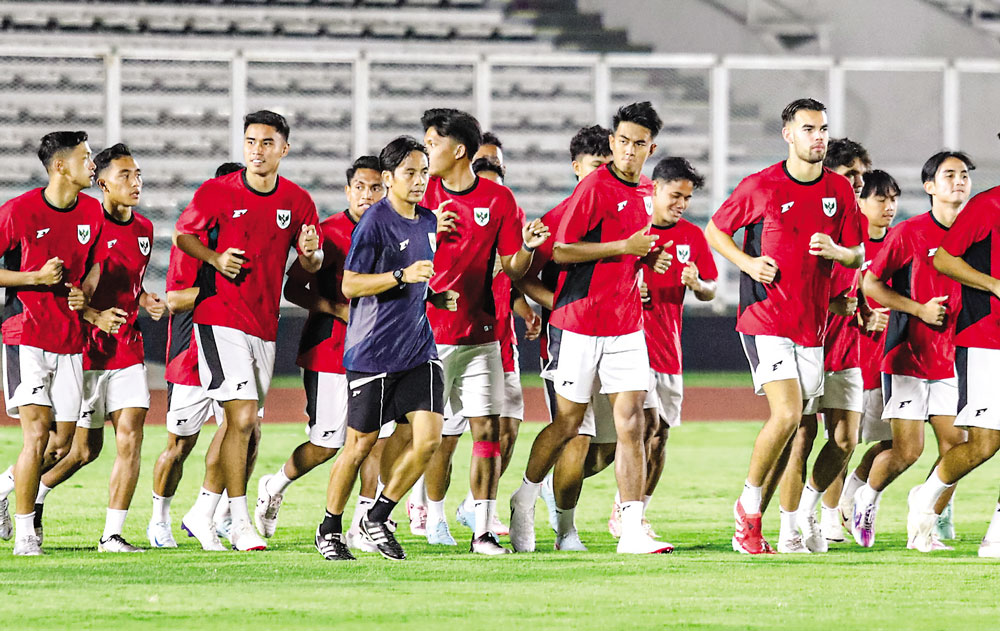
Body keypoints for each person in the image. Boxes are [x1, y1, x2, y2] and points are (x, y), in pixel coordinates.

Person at [509, 102, 673, 555]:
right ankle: (525, 498)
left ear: (651, 148)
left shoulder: (646, 191)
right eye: (623, 141)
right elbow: (562, 250)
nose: (629, 150)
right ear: (613, 141)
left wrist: (648, 257)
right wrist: (624, 247)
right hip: (578, 325)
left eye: (639, 143)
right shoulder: (595, 187)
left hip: (626, 326)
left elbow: (629, 251)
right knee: (567, 426)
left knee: (633, 424)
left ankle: (632, 529)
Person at [705, 98, 864, 555]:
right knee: (789, 414)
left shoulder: (839, 189)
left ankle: (766, 523)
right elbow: (715, 231)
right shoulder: (761, 185)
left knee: (797, 427)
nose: (818, 137)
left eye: (823, 129)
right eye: (808, 129)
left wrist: (837, 251)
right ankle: (748, 506)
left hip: (811, 327)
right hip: (764, 319)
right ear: (788, 134)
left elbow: (857, 253)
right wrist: (748, 263)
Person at [174, 110, 323, 552]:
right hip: (219, 317)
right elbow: (183, 236)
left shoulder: (297, 200)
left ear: (284, 149)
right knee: (240, 418)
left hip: (264, 326)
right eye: (251, 141)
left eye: (267, 142)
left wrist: (311, 255)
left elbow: (310, 263)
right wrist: (215, 258)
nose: (257, 150)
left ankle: (202, 511)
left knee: (243, 427)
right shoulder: (218, 191)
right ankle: (237, 522)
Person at [315, 135, 457, 562]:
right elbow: (350, 285)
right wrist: (401, 276)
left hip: (418, 350)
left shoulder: (428, 220)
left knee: (429, 439)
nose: (419, 180)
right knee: (360, 445)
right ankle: (329, 528)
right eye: (410, 173)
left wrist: (433, 297)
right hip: (373, 352)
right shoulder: (374, 222)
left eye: (424, 172)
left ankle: (377, 517)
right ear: (390, 177)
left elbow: (416, 281)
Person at [253, 155, 400, 554]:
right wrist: (337, 310)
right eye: (360, 187)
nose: (367, 195)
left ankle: (362, 526)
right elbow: (293, 289)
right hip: (331, 353)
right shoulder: (329, 232)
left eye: (375, 187)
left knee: (377, 439)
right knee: (327, 444)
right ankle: (274, 485)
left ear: (386, 189)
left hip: (380, 353)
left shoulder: (395, 230)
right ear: (348, 191)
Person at [419, 109, 547, 554]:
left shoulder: (500, 200)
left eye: (433, 143)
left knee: (487, 432)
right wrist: (429, 229)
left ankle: (483, 531)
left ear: (458, 150)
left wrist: (526, 247)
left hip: (482, 336)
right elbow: (391, 245)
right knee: (423, 436)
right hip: (425, 335)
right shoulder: (420, 192)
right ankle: (405, 517)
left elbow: (512, 267)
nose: (427, 152)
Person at [33, 143, 165, 552]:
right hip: (87, 351)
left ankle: (112, 534)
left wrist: (145, 298)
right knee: (78, 451)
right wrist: (94, 316)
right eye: (125, 175)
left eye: (138, 174)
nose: (135, 182)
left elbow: (129, 281)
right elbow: (69, 291)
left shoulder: (144, 229)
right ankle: (23, 493)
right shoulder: (86, 225)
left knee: (131, 436)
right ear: (102, 183)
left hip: (127, 348)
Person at [854, 151, 974, 549]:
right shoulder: (909, 233)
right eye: (949, 174)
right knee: (907, 451)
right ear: (929, 186)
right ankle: (867, 498)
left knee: (957, 449)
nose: (959, 180)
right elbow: (872, 284)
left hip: (954, 358)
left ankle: (925, 525)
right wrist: (918, 309)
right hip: (908, 356)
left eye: (964, 174)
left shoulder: (978, 235)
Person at [511, 124, 618, 551]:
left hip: (617, 335)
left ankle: (540, 490)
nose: (602, 175)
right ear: (576, 168)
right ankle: (564, 531)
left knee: (607, 448)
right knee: (576, 432)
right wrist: (561, 304)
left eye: (608, 166)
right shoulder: (557, 219)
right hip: (568, 337)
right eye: (595, 166)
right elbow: (521, 276)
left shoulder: (624, 213)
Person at [0, 131, 106, 555]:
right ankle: (26, 536)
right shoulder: (18, 211)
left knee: (62, 444)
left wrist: (86, 294)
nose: (92, 164)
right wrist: (34, 278)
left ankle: (3, 489)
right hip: (25, 333)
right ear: (60, 166)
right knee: (37, 433)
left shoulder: (93, 212)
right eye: (85, 157)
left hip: (70, 338)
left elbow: (95, 264)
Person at [772, 137, 880, 553]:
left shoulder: (854, 221)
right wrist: (830, 303)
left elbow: (857, 272)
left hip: (845, 345)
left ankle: (808, 510)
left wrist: (862, 307)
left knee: (846, 439)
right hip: (806, 341)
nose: (859, 181)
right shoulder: (806, 215)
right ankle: (788, 529)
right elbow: (790, 280)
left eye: (861, 174)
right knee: (800, 438)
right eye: (851, 173)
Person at [607, 156, 717, 545]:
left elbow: (711, 289)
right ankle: (625, 514)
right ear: (654, 189)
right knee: (642, 426)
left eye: (687, 198)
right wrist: (628, 286)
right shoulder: (633, 230)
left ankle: (636, 513)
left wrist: (698, 284)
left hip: (669, 348)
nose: (681, 204)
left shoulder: (692, 236)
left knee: (661, 435)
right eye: (675, 195)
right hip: (630, 344)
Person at [147, 161, 246, 550]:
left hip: (235, 353)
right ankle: (159, 519)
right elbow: (175, 299)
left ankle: (217, 515)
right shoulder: (194, 239)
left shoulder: (248, 239)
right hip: (190, 356)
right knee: (179, 447)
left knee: (244, 433)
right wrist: (223, 290)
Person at [908, 181, 1000, 556]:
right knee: (983, 445)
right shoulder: (988, 205)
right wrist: (994, 285)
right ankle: (926, 496)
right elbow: (944, 259)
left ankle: (995, 537)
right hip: (986, 337)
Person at [834, 170, 899, 539]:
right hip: (850, 357)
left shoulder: (899, 242)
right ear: (859, 202)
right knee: (842, 443)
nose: (889, 206)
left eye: (893, 199)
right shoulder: (848, 245)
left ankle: (851, 494)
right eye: (880, 198)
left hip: (888, 359)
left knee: (895, 441)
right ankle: (828, 517)